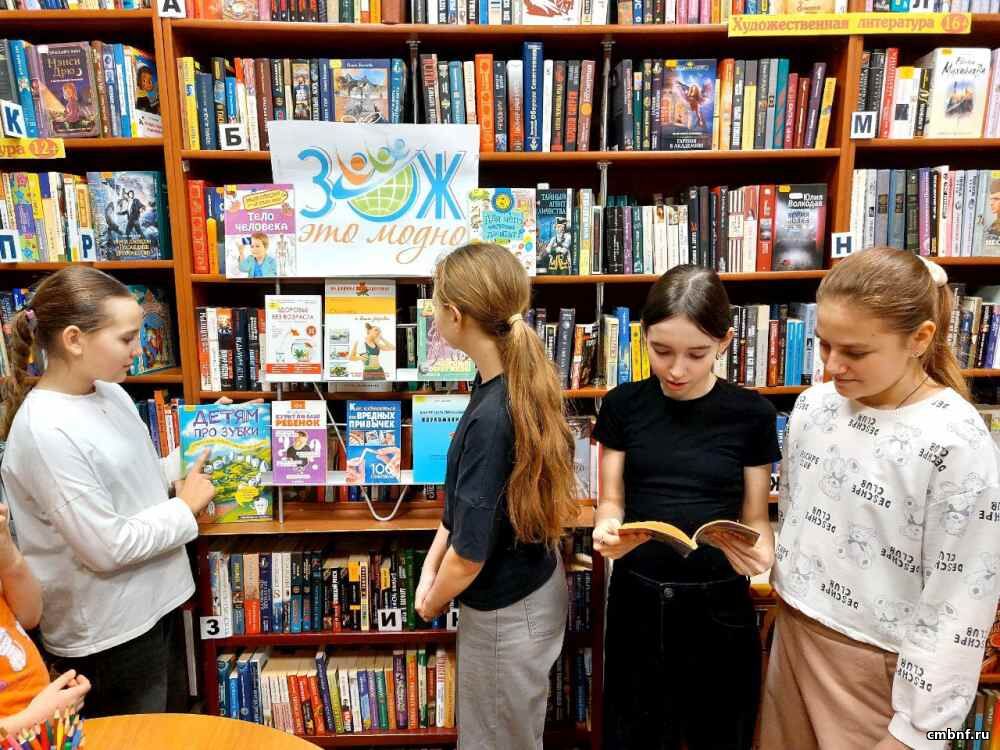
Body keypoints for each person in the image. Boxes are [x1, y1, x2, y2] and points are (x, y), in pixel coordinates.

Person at [762, 247, 1000, 750]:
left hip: (879, 669)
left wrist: (921, 732)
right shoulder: (814, 406)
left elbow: (960, 597)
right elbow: (801, 516)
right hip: (794, 637)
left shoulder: (957, 443)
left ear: (920, 339)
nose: (832, 366)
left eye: (855, 352)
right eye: (824, 345)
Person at [0, 266, 216, 717]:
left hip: (157, 604)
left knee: (171, 730)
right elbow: (107, 546)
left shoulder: (108, 392)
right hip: (111, 633)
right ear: (74, 340)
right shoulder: (46, 430)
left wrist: (208, 439)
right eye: (126, 338)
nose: (139, 349)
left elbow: (133, 480)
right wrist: (185, 509)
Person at [592, 264, 779, 750]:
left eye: (696, 354)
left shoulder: (752, 414)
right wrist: (607, 529)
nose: (676, 370)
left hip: (719, 603)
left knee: (719, 735)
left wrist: (762, 554)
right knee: (633, 737)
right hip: (638, 597)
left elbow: (756, 518)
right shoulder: (622, 405)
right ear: (643, 336)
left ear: (725, 342)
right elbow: (611, 501)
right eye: (661, 351)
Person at [413, 242, 578, 750]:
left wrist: (430, 601)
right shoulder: (502, 386)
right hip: (524, 593)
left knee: (498, 742)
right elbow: (462, 509)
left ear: (455, 315)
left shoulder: (494, 414)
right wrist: (429, 567)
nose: (433, 313)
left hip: (510, 610)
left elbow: (469, 555)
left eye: (435, 303)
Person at [0, 505, 90, 735]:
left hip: (43, 731)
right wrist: (33, 718)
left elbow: (29, 616)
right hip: (25, 729)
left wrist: (5, 549)